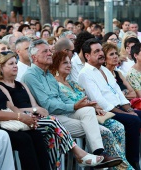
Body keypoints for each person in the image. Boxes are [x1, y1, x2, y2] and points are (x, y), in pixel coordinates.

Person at [0, 51, 105, 169]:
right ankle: (79, 153)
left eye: (15, 62)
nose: (15, 66)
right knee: (53, 122)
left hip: (35, 119)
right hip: (22, 120)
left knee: (53, 136)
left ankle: (55, 168)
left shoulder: (21, 84)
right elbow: (13, 109)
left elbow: (36, 105)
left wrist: (39, 110)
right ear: (1, 68)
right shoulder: (0, 86)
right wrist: (34, 110)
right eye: (10, 64)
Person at [21, 38, 123, 169]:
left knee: (88, 111)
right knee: (99, 129)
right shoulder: (30, 76)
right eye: (45, 51)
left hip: (65, 113)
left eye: (49, 51)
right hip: (51, 117)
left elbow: (63, 99)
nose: (49, 53)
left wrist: (82, 104)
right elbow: (47, 105)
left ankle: (98, 153)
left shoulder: (49, 75)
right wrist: (74, 106)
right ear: (34, 57)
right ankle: (96, 160)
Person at [49, 51, 133, 170]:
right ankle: (120, 167)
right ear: (56, 65)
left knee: (118, 127)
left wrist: (95, 106)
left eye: (69, 62)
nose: (69, 65)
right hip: (71, 115)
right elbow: (65, 104)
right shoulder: (55, 83)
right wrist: (89, 107)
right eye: (64, 63)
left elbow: (86, 98)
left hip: (89, 114)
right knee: (107, 131)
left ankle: (118, 164)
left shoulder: (72, 83)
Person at [0, 47, 50, 170]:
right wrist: (19, 117)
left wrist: (26, 118)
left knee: (36, 134)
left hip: (8, 121)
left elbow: (9, 105)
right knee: (24, 139)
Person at [77, 38, 141, 170]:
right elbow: (99, 101)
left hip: (118, 108)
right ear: (87, 56)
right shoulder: (85, 74)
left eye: (101, 50)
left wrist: (129, 109)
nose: (101, 53)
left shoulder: (105, 70)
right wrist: (127, 113)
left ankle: (133, 159)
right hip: (104, 113)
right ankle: (132, 163)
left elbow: (118, 93)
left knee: (136, 116)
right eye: (96, 51)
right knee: (133, 120)